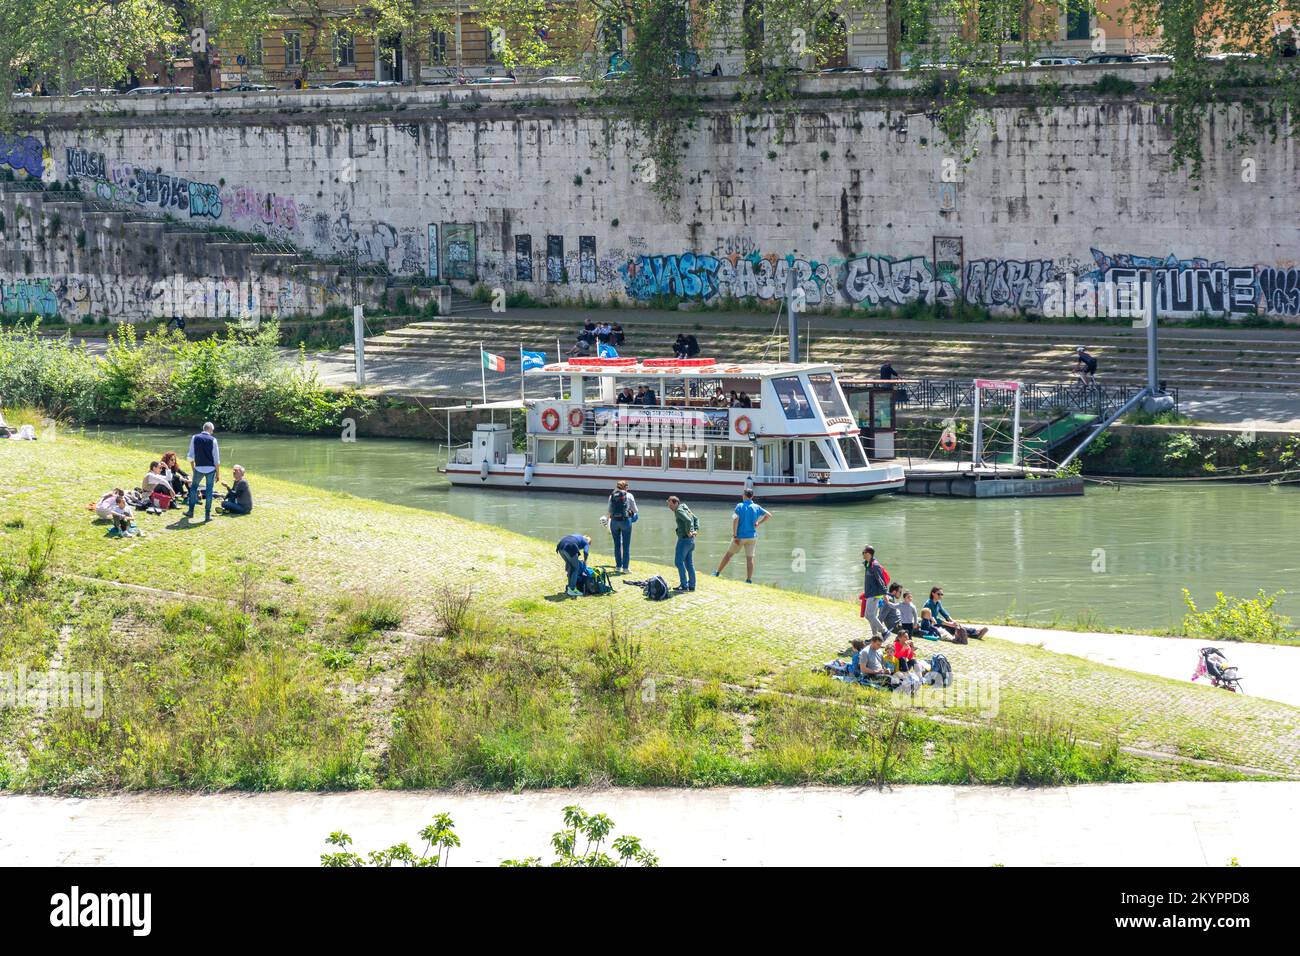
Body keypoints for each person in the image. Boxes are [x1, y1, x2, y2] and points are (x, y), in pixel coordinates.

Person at [714, 488, 769, 583]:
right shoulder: (756, 507)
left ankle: (717, 573)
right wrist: (758, 523)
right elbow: (768, 515)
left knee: (728, 555)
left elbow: (735, 520)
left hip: (740, 536)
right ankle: (748, 580)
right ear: (752, 496)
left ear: (744, 495)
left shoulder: (739, 506)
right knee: (750, 558)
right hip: (752, 537)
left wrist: (735, 535)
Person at [185, 421, 220, 522]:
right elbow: (216, 460)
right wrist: (218, 474)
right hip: (211, 469)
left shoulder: (194, 438)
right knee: (209, 491)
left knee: (193, 488)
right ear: (210, 429)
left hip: (198, 468)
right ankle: (207, 515)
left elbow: (190, 456)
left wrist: (193, 467)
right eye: (212, 430)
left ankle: (191, 511)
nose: (212, 432)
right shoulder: (213, 440)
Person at [606, 480, 637, 573]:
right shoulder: (629, 495)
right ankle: (625, 568)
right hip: (625, 522)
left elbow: (609, 511)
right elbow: (635, 510)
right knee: (626, 546)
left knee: (617, 545)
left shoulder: (612, 495)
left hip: (614, 522)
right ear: (626, 487)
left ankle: (618, 567)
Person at [668, 495, 698, 591]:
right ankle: (692, 585)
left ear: (676, 503)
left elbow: (688, 520)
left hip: (684, 540)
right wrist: (696, 530)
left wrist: (688, 531)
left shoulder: (679, 511)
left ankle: (684, 585)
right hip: (691, 541)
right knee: (689, 563)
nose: (670, 507)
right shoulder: (685, 507)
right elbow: (695, 518)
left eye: (670, 505)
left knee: (678, 562)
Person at [861, 545, 889, 639]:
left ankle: (884, 631)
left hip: (875, 594)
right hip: (870, 593)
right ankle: (875, 637)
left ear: (869, 554)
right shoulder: (868, 564)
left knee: (868, 615)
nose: (863, 554)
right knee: (872, 616)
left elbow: (881, 580)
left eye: (864, 553)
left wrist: (885, 594)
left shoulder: (875, 565)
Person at [556, 533, 591, 597]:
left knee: (570, 566)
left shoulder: (578, 536)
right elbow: (586, 552)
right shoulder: (586, 542)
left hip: (560, 546)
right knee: (575, 568)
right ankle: (572, 589)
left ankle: (570, 587)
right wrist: (585, 560)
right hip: (569, 547)